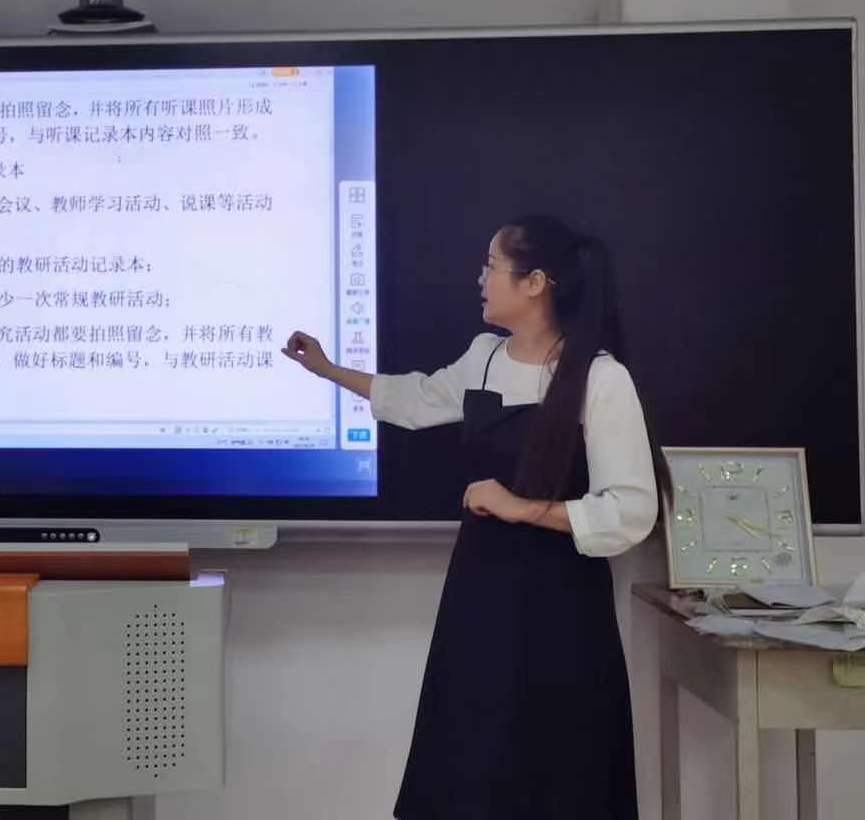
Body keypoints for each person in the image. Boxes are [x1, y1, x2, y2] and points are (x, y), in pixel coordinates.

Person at [284, 214, 663, 820]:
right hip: (480, 594)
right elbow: (416, 399)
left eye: (492, 266)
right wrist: (328, 371)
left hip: (562, 606)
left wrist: (521, 507)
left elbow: (631, 509)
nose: (480, 278)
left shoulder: (600, 377)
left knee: (560, 767)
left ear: (535, 283)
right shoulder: (484, 357)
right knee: (470, 760)